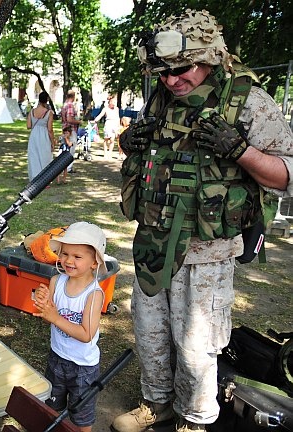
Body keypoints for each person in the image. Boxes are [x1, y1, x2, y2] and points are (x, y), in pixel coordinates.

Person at [113, 10, 293, 432]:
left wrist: (240, 151)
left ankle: (194, 421)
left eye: (181, 70)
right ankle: (156, 404)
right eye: (162, 73)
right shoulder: (163, 96)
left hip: (208, 250)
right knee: (151, 334)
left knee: (197, 346)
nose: (172, 80)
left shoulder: (247, 100)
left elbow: (287, 174)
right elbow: (155, 156)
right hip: (155, 239)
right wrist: (128, 141)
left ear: (209, 56)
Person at [32, 222, 106, 432]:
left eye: (77, 256)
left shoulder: (94, 294)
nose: (68, 260)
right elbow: (49, 317)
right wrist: (43, 302)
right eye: (64, 254)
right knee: (52, 406)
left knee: (82, 415)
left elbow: (86, 334)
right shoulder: (56, 281)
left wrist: (55, 318)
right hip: (57, 357)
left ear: (94, 262)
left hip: (83, 367)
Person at [27, 91, 56, 182]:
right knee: (45, 156)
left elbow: (28, 126)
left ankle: (35, 178)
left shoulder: (32, 111)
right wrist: (52, 142)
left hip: (34, 135)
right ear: (47, 100)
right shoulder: (49, 112)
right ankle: (44, 179)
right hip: (44, 135)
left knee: (34, 156)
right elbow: (50, 129)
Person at [94, 95, 120, 160]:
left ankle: (110, 153)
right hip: (108, 124)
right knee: (106, 139)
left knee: (112, 139)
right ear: (110, 102)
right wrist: (96, 120)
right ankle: (105, 153)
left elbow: (117, 117)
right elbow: (100, 115)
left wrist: (118, 126)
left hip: (114, 125)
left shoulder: (116, 109)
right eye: (113, 102)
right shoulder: (105, 108)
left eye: (115, 102)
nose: (114, 103)